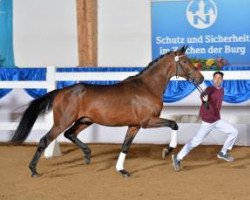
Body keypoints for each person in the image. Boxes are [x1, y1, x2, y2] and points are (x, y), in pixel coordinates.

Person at [172, 71, 238, 171]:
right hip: (208, 122)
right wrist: (205, 99)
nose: (217, 79)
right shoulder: (209, 89)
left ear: (222, 80)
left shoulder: (222, 90)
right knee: (195, 142)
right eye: (215, 77)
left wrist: (208, 103)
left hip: (216, 119)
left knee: (234, 132)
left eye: (219, 78)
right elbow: (203, 95)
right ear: (213, 79)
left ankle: (223, 153)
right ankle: (178, 157)